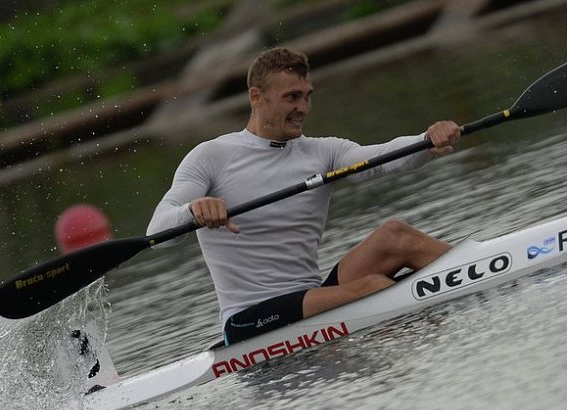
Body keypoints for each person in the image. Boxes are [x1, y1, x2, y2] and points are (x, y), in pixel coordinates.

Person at [147, 47, 460, 346]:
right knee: (373, 288)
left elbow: (378, 160)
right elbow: (158, 232)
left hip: (309, 297)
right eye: (292, 97)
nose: (303, 108)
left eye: (307, 96)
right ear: (257, 97)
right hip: (250, 319)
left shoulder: (321, 151)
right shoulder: (211, 156)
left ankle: (489, 268)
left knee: (395, 236)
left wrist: (425, 142)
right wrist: (193, 210)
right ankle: (436, 325)